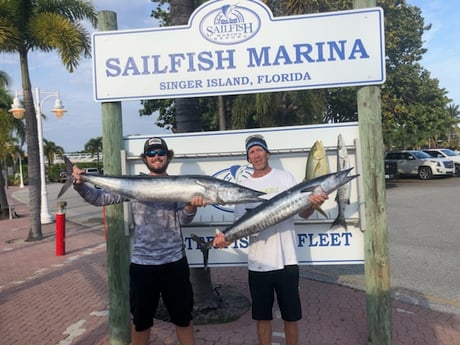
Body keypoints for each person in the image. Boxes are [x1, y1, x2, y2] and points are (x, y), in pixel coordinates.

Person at [72, 137, 205, 345]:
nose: (156, 157)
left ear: (167, 156)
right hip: (143, 266)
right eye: (151, 153)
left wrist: (190, 207)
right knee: (141, 323)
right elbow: (99, 198)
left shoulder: (180, 186)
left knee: (183, 320)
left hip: (174, 264)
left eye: (160, 152)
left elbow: (182, 220)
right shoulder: (133, 186)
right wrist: (80, 185)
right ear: (145, 159)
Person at [213, 134, 328, 345]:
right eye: (251, 152)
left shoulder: (285, 178)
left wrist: (313, 203)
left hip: (287, 261)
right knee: (262, 317)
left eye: (259, 150)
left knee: (291, 317)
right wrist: (225, 239)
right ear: (248, 159)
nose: (256, 155)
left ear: (267, 153)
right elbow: (241, 226)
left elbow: (303, 214)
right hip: (259, 264)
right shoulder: (243, 187)